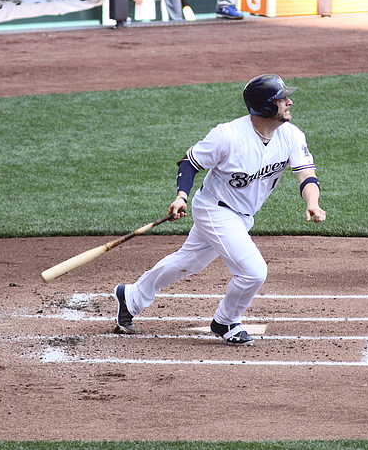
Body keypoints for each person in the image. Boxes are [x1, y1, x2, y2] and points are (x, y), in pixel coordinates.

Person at [114, 74, 326, 346]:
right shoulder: (228, 136)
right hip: (214, 210)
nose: (289, 102)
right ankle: (226, 320)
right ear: (264, 107)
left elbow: (307, 175)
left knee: (188, 262)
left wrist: (312, 203)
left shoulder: (291, 136)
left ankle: (130, 297)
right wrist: (181, 197)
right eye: (281, 99)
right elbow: (190, 163)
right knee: (253, 271)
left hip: (242, 215)